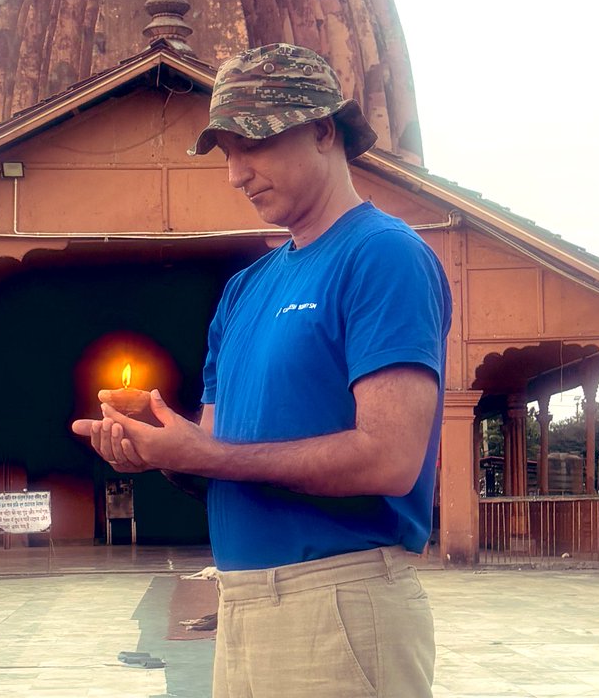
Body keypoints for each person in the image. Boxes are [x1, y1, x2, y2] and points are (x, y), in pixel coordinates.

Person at [72, 43, 452, 697]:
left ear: (324, 130)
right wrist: (160, 448)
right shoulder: (246, 290)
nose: (236, 173)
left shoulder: (382, 256)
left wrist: (205, 453)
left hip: (339, 602)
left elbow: (391, 458)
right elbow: (217, 462)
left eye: (254, 143)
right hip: (243, 604)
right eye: (226, 151)